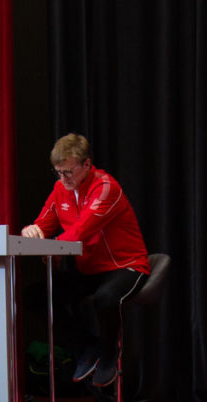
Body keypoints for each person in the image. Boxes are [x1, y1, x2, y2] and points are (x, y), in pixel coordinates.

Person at [20, 132, 151, 388]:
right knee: (35, 296)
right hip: (91, 270)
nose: (63, 179)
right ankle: (86, 347)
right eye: (58, 172)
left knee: (105, 298)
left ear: (87, 165)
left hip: (126, 266)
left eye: (68, 172)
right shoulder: (61, 189)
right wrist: (31, 230)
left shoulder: (106, 187)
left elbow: (81, 231)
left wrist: (53, 248)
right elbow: (42, 224)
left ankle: (109, 353)